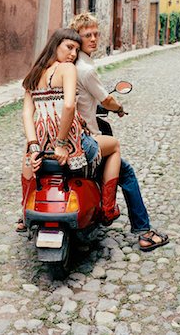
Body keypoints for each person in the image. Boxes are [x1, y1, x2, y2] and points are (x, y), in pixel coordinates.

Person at [69, 13, 169, 252]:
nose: (93, 39)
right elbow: (108, 98)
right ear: (78, 39)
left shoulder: (69, 65)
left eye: (95, 34)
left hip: (69, 135)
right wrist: (119, 108)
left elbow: (85, 100)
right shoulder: (85, 69)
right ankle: (142, 230)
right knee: (126, 172)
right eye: (87, 35)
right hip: (88, 136)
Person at [19, 28, 122, 230]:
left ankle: (24, 214)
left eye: (76, 49)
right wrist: (61, 144)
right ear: (54, 46)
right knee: (115, 146)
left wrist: (33, 148)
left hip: (41, 147)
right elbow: (68, 105)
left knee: (26, 163)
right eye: (69, 47)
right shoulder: (67, 69)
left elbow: (26, 114)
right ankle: (108, 209)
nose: (73, 54)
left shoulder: (34, 73)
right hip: (71, 145)